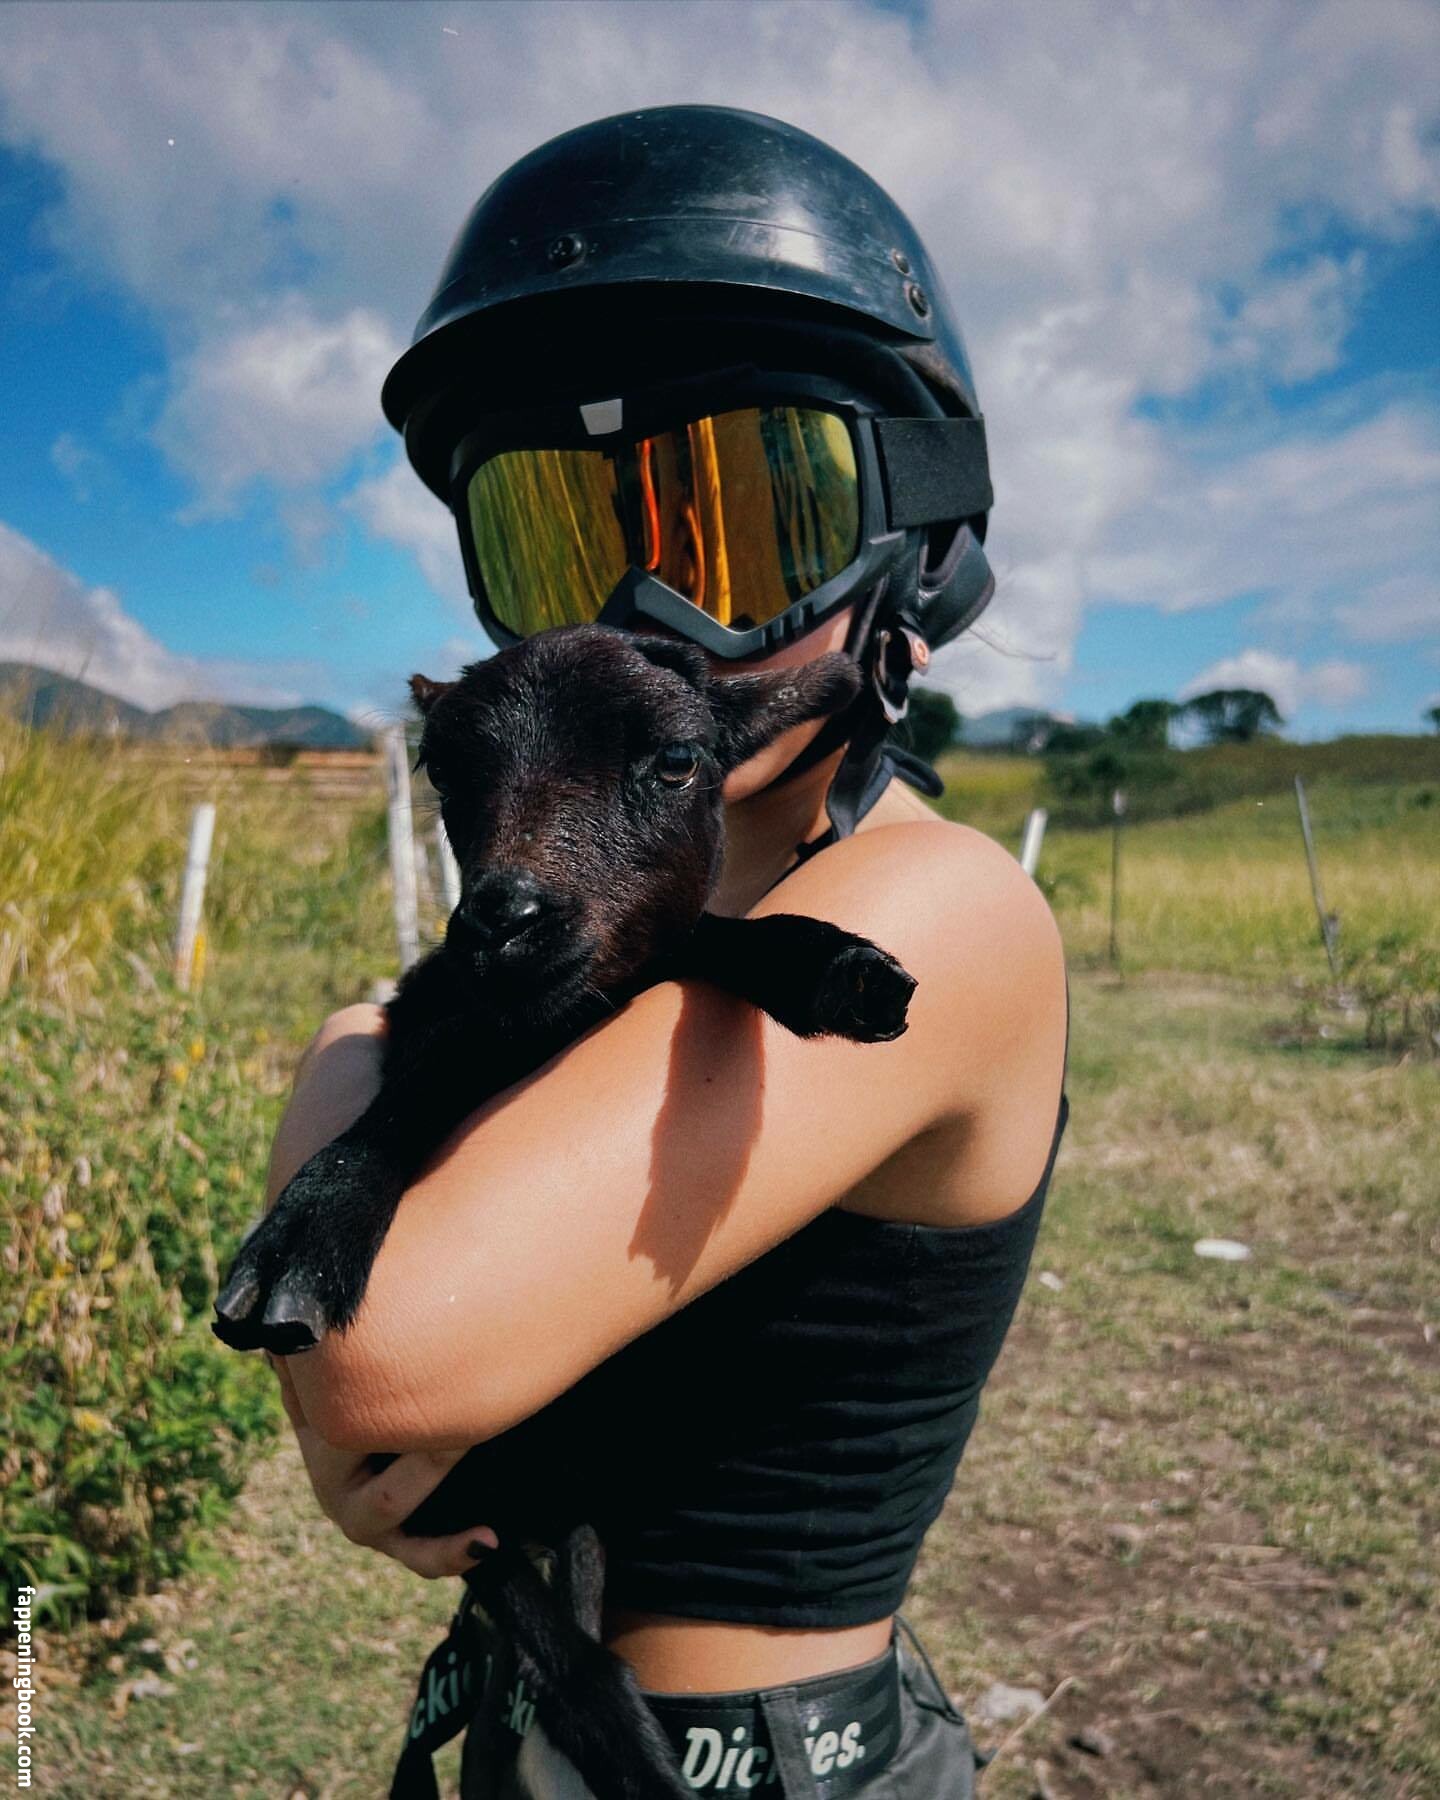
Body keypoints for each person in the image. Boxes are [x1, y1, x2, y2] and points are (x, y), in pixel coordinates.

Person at [263, 106, 1068, 1798]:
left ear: (915, 542)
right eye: (561, 538)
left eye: (744, 522)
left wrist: (352, 1037)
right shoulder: (653, 949)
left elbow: (376, 1349)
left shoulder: (941, 910)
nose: (648, 616)